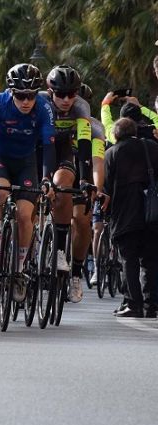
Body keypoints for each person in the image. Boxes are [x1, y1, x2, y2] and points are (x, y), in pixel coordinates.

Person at [0, 63, 55, 303]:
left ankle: (18, 269)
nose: (26, 101)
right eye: (20, 95)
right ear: (10, 92)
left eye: (31, 95)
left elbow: (49, 147)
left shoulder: (44, 108)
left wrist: (47, 179)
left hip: (26, 162)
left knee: (24, 214)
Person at [45, 65, 93, 303]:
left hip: (67, 154)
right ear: (49, 91)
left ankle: (69, 266)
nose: (66, 100)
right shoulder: (40, 102)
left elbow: (87, 149)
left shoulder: (82, 109)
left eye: (71, 94)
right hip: (39, 151)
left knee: (81, 217)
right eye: (60, 94)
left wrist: (86, 181)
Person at [103, 117, 158, 318]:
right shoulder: (152, 148)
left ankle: (132, 303)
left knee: (128, 259)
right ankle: (151, 304)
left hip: (125, 212)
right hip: (151, 213)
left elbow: (106, 187)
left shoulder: (112, 153)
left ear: (116, 134)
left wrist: (106, 215)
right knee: (150, 259)